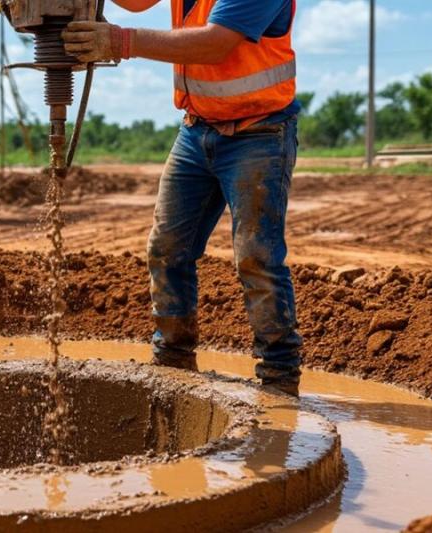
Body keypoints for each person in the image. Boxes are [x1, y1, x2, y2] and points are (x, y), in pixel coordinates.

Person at [62, 0, 302, 395]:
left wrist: (120, 40)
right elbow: (136, 3)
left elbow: (215, 43)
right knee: (167, 248)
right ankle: (173, 362)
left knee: (256, 257)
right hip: (196, 130)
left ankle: (278, 378)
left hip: (259, 133)